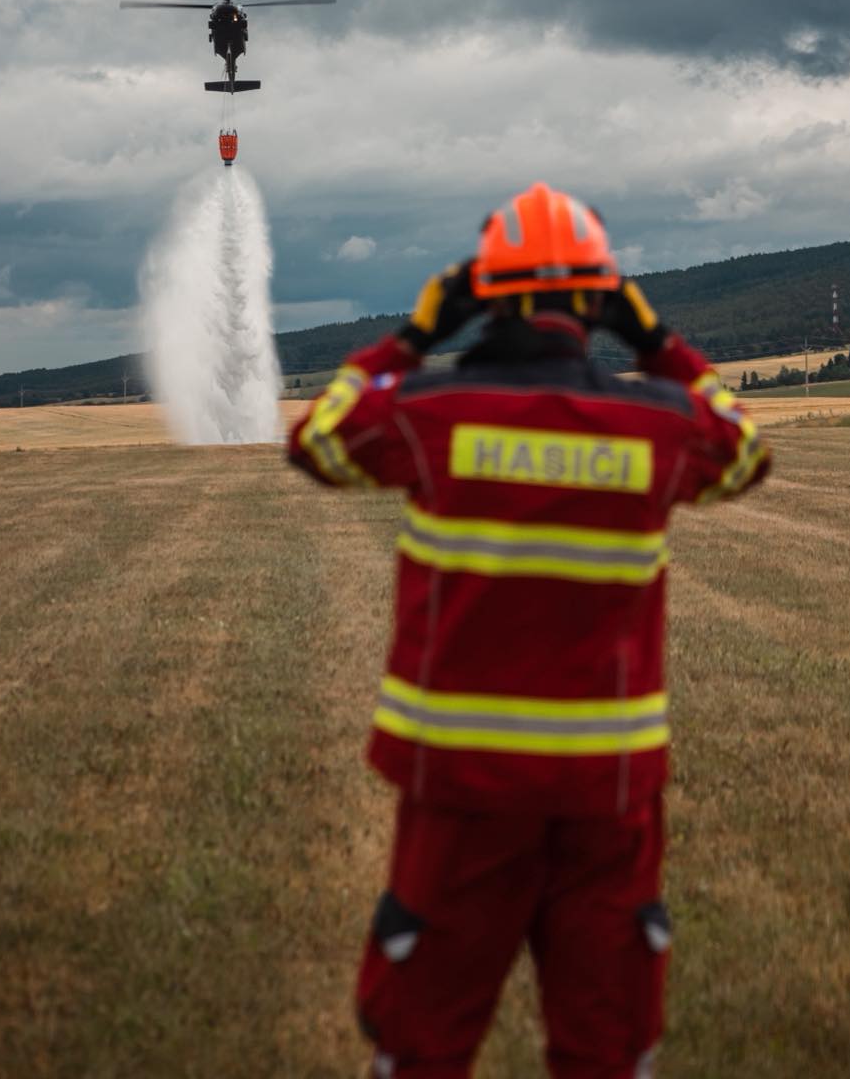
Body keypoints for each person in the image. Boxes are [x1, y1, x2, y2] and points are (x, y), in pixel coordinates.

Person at [287, 181, 770, 1079]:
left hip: (459, 789)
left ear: (481, 296)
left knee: (424, 1038)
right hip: (609, 793)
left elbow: (317, 437)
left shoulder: (430, 415)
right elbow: (745, 447)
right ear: (597, 301)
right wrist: (659, 342)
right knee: (605, 1044)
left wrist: (413, 336)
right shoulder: (654, 423)